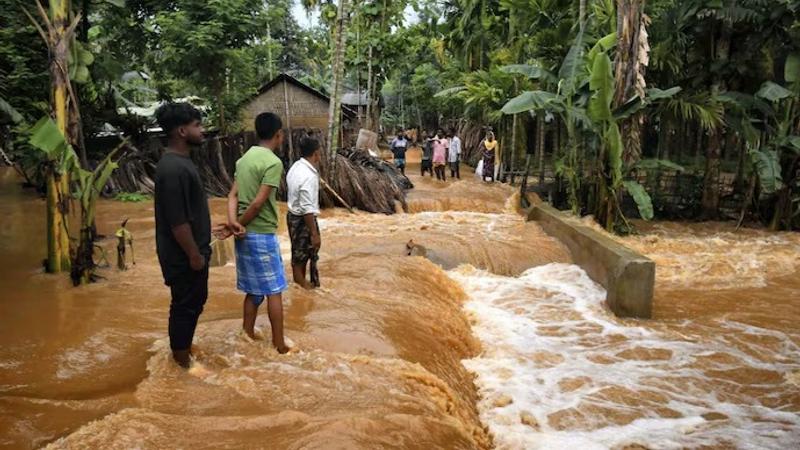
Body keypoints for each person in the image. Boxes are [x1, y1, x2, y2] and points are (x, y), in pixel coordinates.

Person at [154, 102, 230, 368]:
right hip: (183, 255)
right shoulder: (173, 168)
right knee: (185, 305)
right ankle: (181, 362)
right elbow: (177, 222)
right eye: (198, 125)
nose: (203, 130)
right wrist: (194, 254)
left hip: (189, 251)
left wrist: (208, 233)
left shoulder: (180, 163)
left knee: (193, 302)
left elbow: (187, 214)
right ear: (182, 131)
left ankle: (182, 349)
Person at [227, 112, 290, 354]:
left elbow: (232, 195)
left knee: (253, 290)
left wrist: (234, 224)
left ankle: (247, 334)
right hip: (261, 234)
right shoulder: (273, 163)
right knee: (275, 290)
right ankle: (279, 345)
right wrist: (239, 224)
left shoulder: (244, 160)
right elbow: (257, 204)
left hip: (243, 236)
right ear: (278, 134)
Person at [286, 137, 322, 290]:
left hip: (293, 216)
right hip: (303, 219)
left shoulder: (295, 167)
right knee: (302, 256)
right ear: (315, 154)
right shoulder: (308, 175)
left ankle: (300, 286)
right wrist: (314, 233)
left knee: (300, 253)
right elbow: (307, 208)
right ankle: (302, 286)